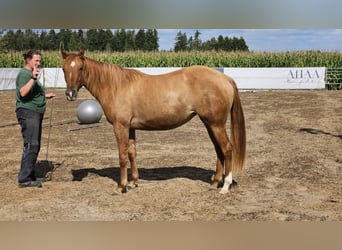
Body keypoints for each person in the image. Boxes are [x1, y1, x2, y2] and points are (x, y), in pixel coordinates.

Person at [15, 49, 56, 188]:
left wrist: (45, 96)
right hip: (28, 113)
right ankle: (24, 179)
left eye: (39, 60)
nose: (39, 63)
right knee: (31, 144)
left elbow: (32, 93)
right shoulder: (25, 74)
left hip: (34, 112)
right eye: (36, 60)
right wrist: (33, 78)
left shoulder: (31, 74)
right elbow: (23, 92)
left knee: (35, 145)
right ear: (28, 60)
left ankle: (30, 175)